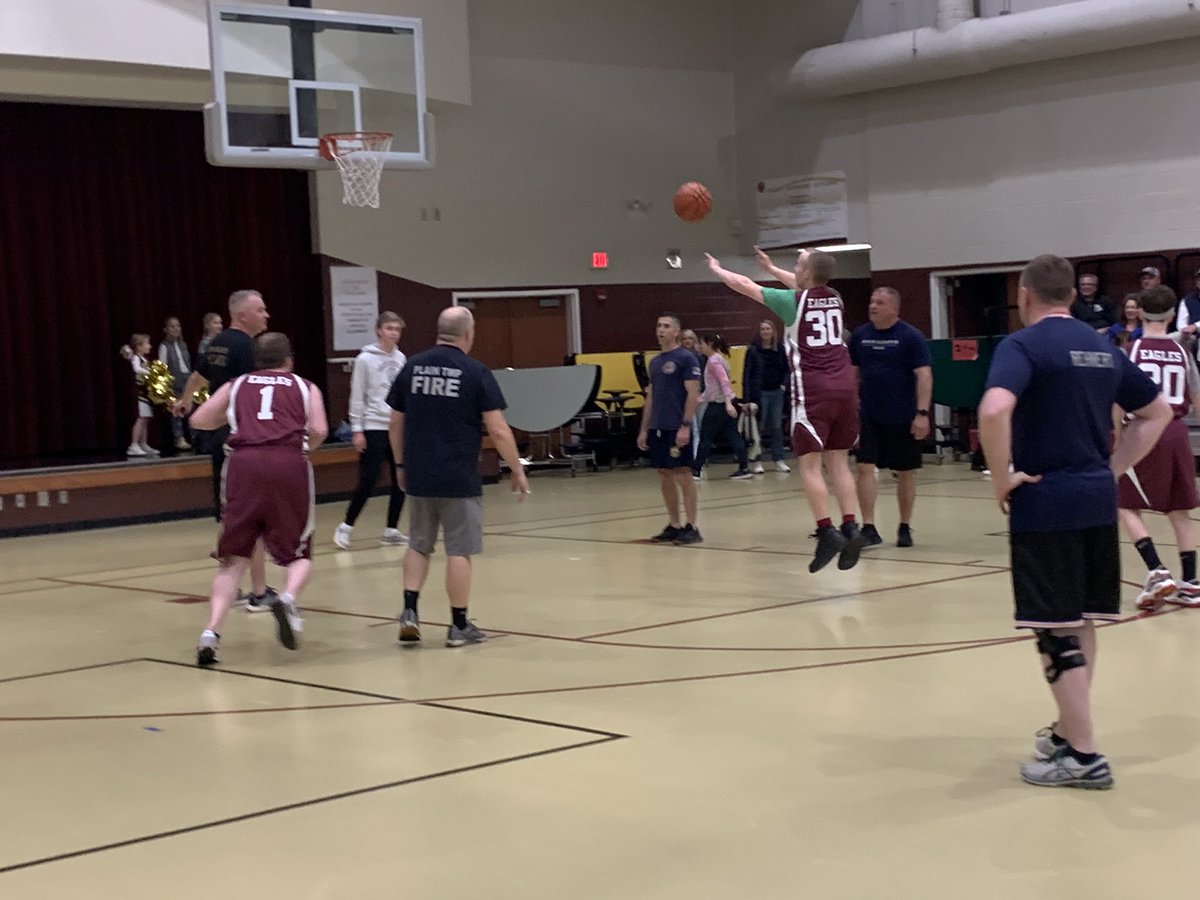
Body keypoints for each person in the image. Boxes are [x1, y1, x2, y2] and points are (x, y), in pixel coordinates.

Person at [978, 253, 1169, 790]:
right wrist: (1112, 468)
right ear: (1070, 294)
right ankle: (1068, 731)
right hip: (1093, 500)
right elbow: (1156, 412)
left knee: (1054, 629)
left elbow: (994, 410)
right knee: (1080, 619)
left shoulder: (1022, 346)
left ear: (1025, 295)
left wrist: (1000, 478)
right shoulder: (1102, 347)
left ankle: (1084, 756)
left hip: (1046, 503)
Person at [707, 247, 865, 572]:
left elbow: (745, 286)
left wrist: (718, 270)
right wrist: (773, 268)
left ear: (806, 274)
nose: (795, 269)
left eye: (799, 265)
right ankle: (851, 526)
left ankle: (826, 530)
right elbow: (804, 281)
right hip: (845, 387)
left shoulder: (790, 302)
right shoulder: (835, 297)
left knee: (809, 465)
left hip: (814, 387)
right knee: (839, 462)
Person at [388, 306, 529, 648]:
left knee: (418, 544)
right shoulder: (475, 371)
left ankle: (409, 612)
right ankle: (459, 625)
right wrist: (516, 466)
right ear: (468, 334)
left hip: (419, 473)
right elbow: (497, 428)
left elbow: (395, 421)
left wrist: (400, 466)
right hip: (458, 475)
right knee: (459, 550)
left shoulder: (412, 366)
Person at [190, 332, 328, 666]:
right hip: (288, 461)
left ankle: (210, 634)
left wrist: (232, 417)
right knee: (299, 551)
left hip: (243, 465)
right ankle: (288, 598)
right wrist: (306, 448)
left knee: (232, 560)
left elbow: (199, 419)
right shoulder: (305, 386)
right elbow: (321, 429)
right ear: (288, 359)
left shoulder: (236, 385)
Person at [173, 289, 275, 612]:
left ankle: (235, 584)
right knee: (253, 517)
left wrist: (186, 400)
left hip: (219, 438)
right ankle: (259, 592)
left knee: (231, 512)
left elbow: (198, 376)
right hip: (242, 440)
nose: (266, 315)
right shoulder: (248, 347)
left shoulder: (217, 342)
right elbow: (254, 393)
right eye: (260, 310)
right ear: (241, 314)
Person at [1116, 285, 1200, 611]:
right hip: (1177, 432)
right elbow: (1196, 403)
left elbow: (1117, 397)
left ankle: (1156, 569)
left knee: (1124, 502)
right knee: (1180, 510)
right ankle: (1191, 583)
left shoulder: (1131, 351)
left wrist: (1117, 432)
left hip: (1142, 430)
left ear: (1139, 312)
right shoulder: (1183, 352)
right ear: (1170, 315)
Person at [849, 287, 933, 548]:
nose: (873, 306)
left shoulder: (910, 336)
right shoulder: (860, 336)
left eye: (880, 302)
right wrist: (850, 410)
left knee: (905, 471)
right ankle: (869, 526)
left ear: (894, 308)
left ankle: (904, 526)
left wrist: (922, 414)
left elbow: (924, 376)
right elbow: (852, 375)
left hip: (902, 416)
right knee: (864, 468)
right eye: (872, 301)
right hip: (869, 415)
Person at [333, 312, 409, 549]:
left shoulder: (401, 358)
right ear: (379, 330)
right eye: (389, 328)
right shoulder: (365, 359)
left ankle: (391, 529)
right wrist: (357, 429)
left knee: (401, 478)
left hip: (395, 427)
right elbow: (357, 396)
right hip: (373, 426)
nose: (393, 333)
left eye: (397, 329)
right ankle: (346, 526)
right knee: (368, 479)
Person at [637, 314, 702, 544]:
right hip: (658, 427)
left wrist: (685, 426)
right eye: (658, 326)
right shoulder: (654, 362)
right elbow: (651, 397)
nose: (660, 330)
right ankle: (674, 524)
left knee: (683, 473)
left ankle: (692, 526)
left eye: (666, 326)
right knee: (664, 474)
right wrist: (644, 428)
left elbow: (693, 394)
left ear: (676, 332)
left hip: (677, 426)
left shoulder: (686, 359)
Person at [692, 333, 752, 481]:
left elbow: (724, 382)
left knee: (705, 436)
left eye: (701, 343)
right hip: (722, 403)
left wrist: (728, 403)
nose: (699, 346)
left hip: (718, 406)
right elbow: (713, 388)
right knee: (733, 435)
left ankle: (695, 470)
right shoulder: (718, 359)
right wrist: (699, 400)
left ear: (710, 344)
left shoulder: (714, 361)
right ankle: (744, 468)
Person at [742, 319, 790, 474]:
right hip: (759, 393)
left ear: (773, 331)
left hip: (776, 392)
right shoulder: (753, 350)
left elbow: (786, 369)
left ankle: (779, 460)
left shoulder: (780, 348)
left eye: (768, 329)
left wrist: (783, 385)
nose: (765, 331)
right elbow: (747, 374)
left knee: (776, 427)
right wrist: (748, 398)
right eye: (762, 329)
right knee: (758, 427)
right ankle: (757, 460)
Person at [121, 333, 159, 458]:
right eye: (147, 344)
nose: (150, 346)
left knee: (146, 418)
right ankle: (134, 445)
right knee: (141, 418)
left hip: (145, 393)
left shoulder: (144, 359)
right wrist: (150, 373)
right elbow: (137, 369)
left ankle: (143, 443)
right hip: (139, 393)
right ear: (139, 347)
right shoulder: (136, 358)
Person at [158, 316, 192, 450]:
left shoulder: (183, 345)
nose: (175, 329)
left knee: (190, 408)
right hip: (174, 380)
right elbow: (163, 366)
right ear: (166, 329)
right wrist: (167, 384)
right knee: (177, 410)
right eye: (172, 326)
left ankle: (194, 436)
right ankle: (179, 437)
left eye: (178, 326)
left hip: (186, 378)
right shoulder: (164, 346)